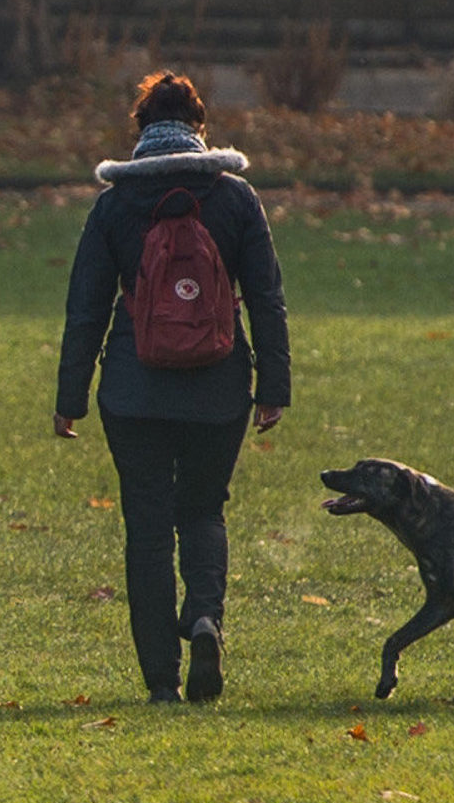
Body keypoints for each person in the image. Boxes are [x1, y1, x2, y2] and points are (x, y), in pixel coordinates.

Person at [51, 71, 290, 703]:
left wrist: (69, 398)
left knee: (148, 530)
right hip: (219, 387)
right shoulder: (235, 198)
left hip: (135, 391)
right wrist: (275, 384)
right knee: (205, 509)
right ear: (199, 127)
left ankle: (161, 681)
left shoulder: (115, 205)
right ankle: (206, 616)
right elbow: (265, 298)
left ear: (141, 129)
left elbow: (86, 307)